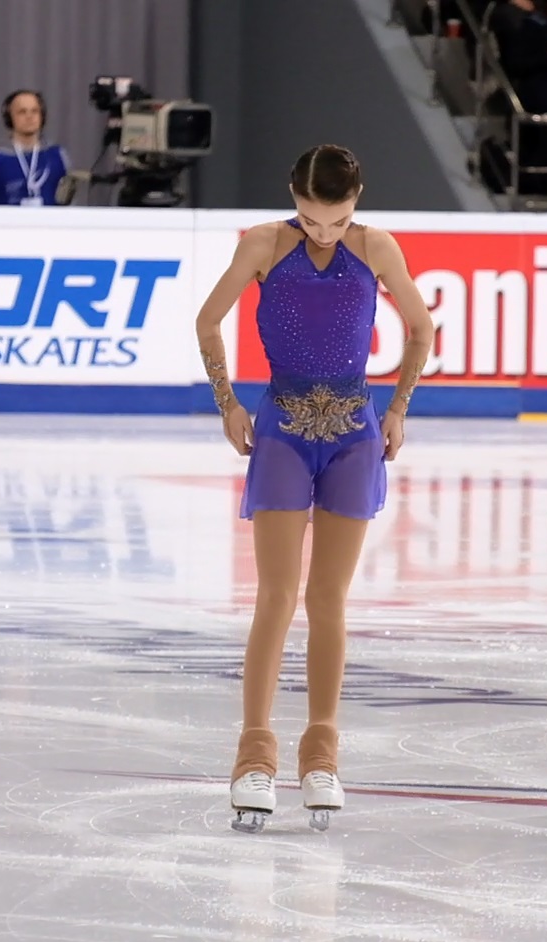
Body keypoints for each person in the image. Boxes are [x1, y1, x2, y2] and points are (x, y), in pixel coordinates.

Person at [193, 145, 435, 834]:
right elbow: (208, 320)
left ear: (357, 200)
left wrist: (398, 410)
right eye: (311, 218)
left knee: (328, 598)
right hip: (281, 433)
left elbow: (421, 329)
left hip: (356, 434)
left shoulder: (377, 247)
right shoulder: (265, 243)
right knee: (275, 596)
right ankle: (253, 755)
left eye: (338, 220)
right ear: (292, 197)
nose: (324, 232)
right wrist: (228, 404)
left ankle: (322, 754)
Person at [0, 89, 71, 206]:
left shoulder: (58, 156)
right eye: (22, 112)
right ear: (9, 118)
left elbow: (71, 204)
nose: (29, 116)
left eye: (34, 111)